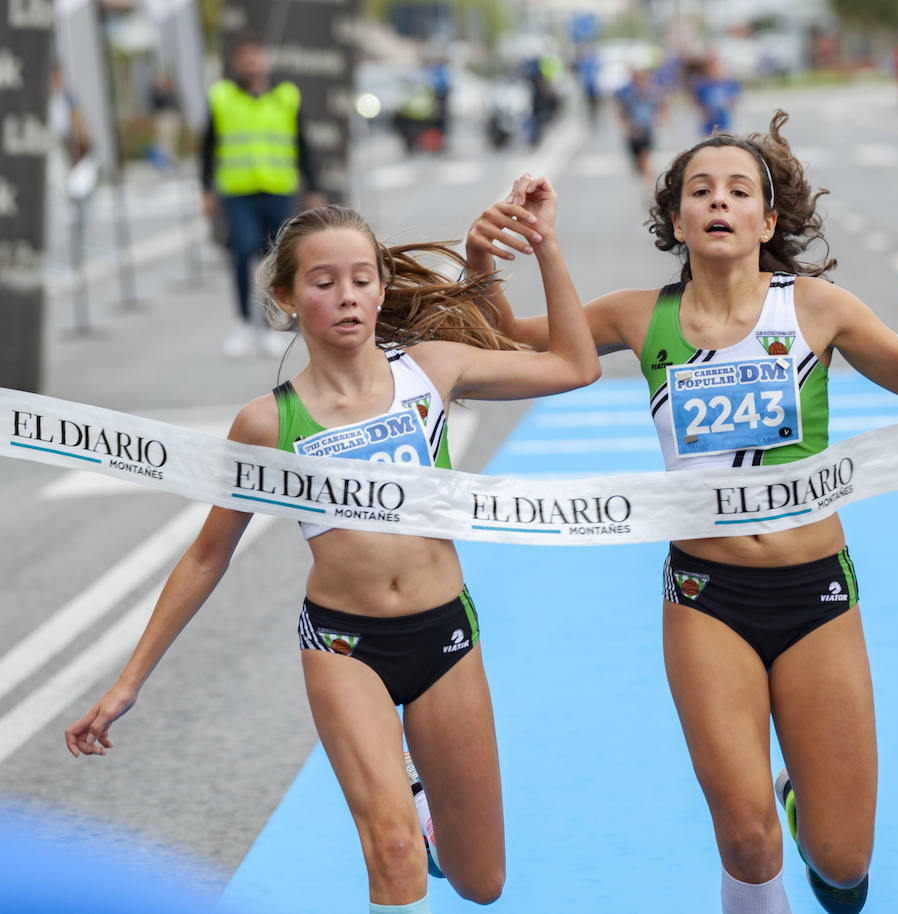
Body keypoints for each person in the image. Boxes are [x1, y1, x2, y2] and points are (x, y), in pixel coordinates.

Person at [467, 111, 898, 914]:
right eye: (700, 191)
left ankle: (807, 806)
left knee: (842, 865)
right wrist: (492, 256)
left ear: (768, 221)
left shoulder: (817, 308)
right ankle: (770, 835)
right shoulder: (642, 315)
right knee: (745, 836)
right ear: (676, 220)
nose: (718, 202)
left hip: (816, 595)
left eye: (740, 190)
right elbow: (514, 342)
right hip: (707, 598)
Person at [64, 179, 602, 914]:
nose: (347, 296)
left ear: (382, 291)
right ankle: (400, 811)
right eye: (324, 282)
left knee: (483, 882)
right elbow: (206, 555)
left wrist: (545, 247)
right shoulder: (266, 424)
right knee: (391, 853)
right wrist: (128, 682)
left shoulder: (432, 370)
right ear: (287, 299)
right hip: (344, 645)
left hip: (446, 634)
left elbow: (577, 365)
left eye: (361, 278)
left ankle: (421, 801)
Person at [201, 36, 326, 359]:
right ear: (237, 63)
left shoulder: (286, 96)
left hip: (278, 189)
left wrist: (313, 187)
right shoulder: (223, 96)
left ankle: (274, 324)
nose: (251, 62)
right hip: (238, 192)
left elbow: (302, 143)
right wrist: (206, 188)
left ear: (265, 59)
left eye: (256, 56)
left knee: (277, 259)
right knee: (242, 253)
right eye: (245, 57)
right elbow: (208, 146)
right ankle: (244, 322)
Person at [614, 68, 664, 198]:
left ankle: (650, 187)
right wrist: (627, 126)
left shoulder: (652, 94)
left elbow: (660, 107)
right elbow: (621, 112)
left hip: (646, 131)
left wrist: (659, 119)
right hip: (633, 134)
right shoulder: (628, 96)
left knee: (645, 159)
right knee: (638, 167)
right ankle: (648, 178)